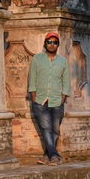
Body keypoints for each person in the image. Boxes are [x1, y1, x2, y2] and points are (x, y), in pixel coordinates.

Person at [28, 32, 70, 166]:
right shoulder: (37, 59)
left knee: (55, 130)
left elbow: (66, 81)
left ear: (58, 45)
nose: (52, 45)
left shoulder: (62, 61)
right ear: (45, 44)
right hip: (40, 100)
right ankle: (55, 156)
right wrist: (34, 99)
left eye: (55, 42)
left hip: (57, 100)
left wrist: (63, 98)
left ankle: (47, 156)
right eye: (49, 42)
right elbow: (32, 79)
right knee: (46, 129)